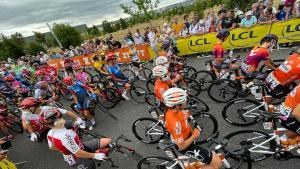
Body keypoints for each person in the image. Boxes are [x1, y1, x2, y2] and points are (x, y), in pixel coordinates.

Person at [163, 88, 222, 169]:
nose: (187, 101)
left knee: (212, 158)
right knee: (217, 164)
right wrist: (194, 135)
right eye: (184, 100)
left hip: (187, 137)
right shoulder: (175, 124)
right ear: (177, 106)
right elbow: (181, 147)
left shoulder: (173, 110)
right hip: (186, 146)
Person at [44, 111, 112, 169]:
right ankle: (95, 156)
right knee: (91, 166)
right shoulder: (65, 136)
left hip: (81, 147)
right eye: (59, 118)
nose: (61, 119)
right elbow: (78, 153)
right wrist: (95, 155)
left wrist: (66, 147)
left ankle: (96, 155)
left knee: (107, 140)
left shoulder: (50, 133)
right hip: (76, 158)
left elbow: (51, 147)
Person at [19, 97, 83, 142]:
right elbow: (28, 124)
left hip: (55, 123)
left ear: (32, 108)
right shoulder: (26, 115)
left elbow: (66, 111)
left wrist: (78, 118)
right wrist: (32, 133)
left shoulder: (47, 108)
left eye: (26, 109)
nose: (24, 111)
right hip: (43, 128)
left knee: (69, 128)